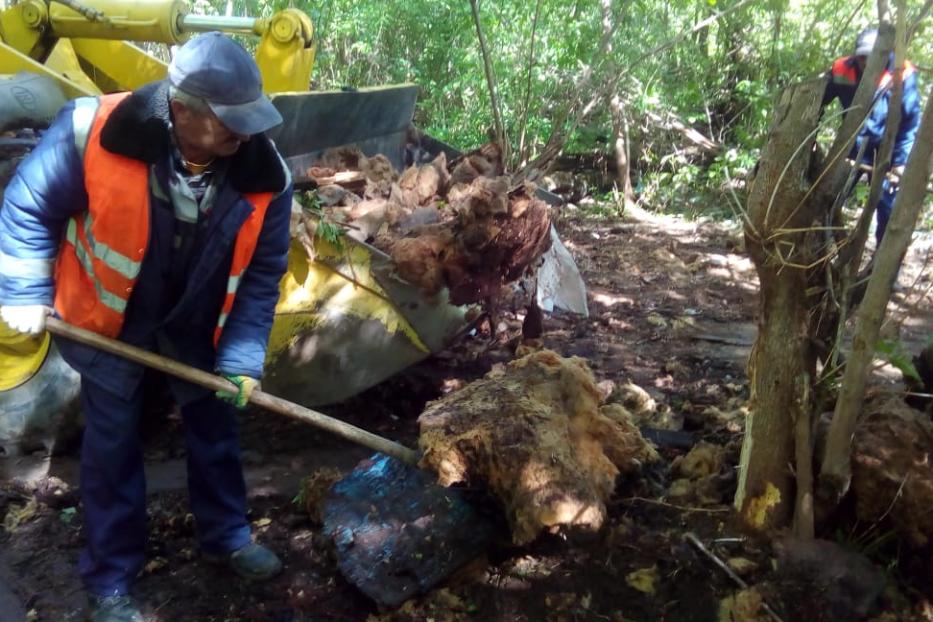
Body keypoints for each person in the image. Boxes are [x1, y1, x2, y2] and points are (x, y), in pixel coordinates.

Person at [0, 32, 293, 621]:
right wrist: (25, 293)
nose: (245, 134)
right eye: (229, 122)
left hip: (200, 326)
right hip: (111, 324)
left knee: (215, 430)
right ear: (181, 109)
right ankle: (110, 579)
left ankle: (227, 535)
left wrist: (240, 355)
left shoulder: (266, 174)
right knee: (113, 448)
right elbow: (27, 205)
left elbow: (263, 274)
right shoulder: (91, 130)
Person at [821, 26, 921, 244]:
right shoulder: (841, 69)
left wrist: (901, 162)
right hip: (851, 144)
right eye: (862, 57)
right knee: (828, 195)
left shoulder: (902, 73)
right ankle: (819, 253)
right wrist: (810, 135)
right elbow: (817, 100)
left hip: (888, 150)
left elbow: (910, 123)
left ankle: (879, 270)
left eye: (872, 56)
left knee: (888, 206)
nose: (866, 62)